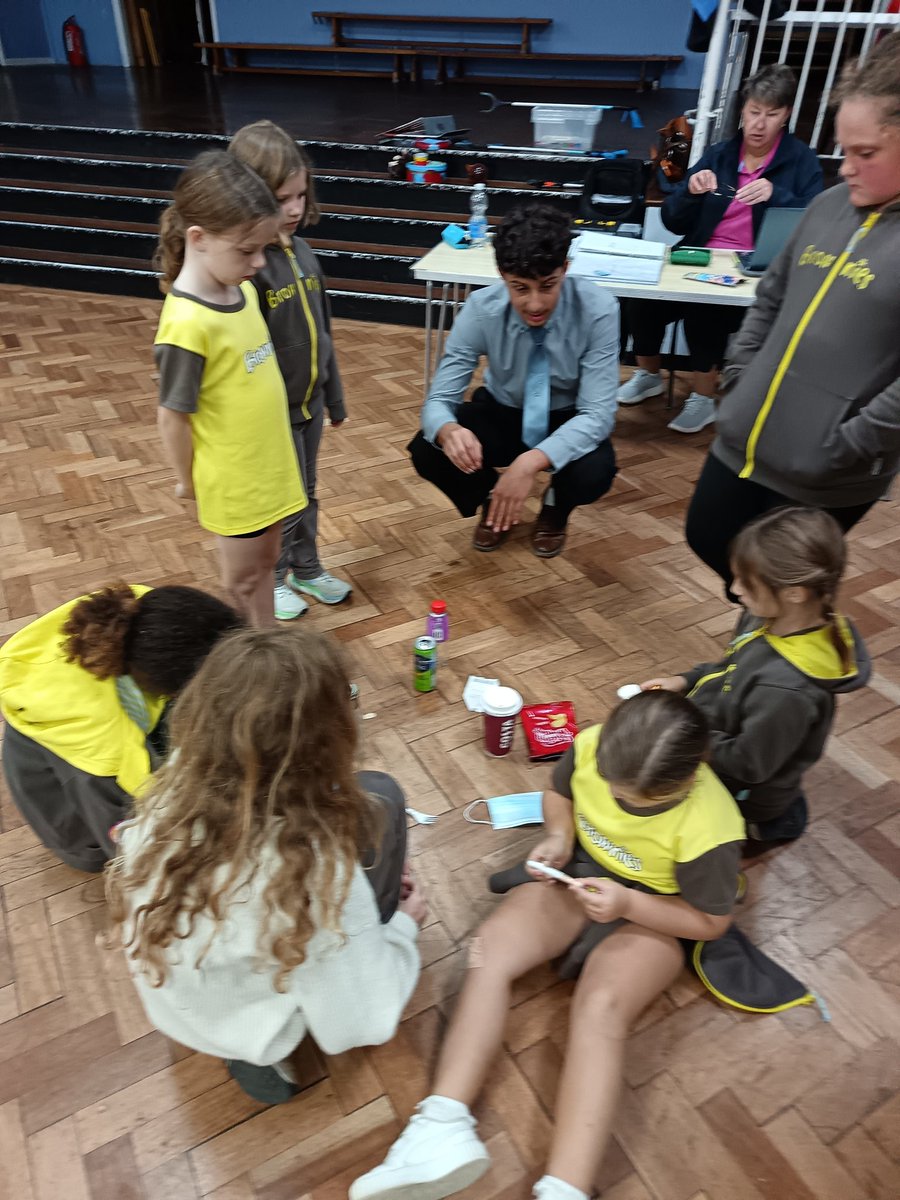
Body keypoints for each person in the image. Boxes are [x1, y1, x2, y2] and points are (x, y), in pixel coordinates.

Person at [350, 690, 744, 1200]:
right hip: (586, 879)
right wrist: (559, 836)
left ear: (689, 780)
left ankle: (566, 1188)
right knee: (490, 948)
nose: (618, 800)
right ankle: (440, 1126)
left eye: (635, 801)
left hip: (660, 914)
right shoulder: (592, 745)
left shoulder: (711, 830)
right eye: (611, 789)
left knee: (600, 1010)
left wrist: (629, 906)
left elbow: (710, 921)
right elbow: (560, 793)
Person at [107, 626, 427, 1106]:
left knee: (366, 806)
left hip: (182, 1006)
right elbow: (362, 1020)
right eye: (350, 700)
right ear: (329, 738)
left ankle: (240, 1035)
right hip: (258, 1009)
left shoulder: (166, 794)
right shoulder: (312, 868)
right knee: (380, 794)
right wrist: (402, 929)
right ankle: (261, 1039)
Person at [685, 33, 900, 593]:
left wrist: (849, 443)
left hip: (826, 473)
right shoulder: (829, 205)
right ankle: (760, 661)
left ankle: (781, 674)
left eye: (865, 154)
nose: (847, 168)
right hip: (746, 436)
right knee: (710, 540)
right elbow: (771, 297)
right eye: (843, 150)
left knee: (784, 591)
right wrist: (741, 374)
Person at [642, 507, 869, 842]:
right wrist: (685, 681)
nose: (734, 590)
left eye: (746, 583)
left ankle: (768, 825)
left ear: (795, 592)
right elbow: (730, 666)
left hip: (744, 789)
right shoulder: (763, 616)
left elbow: (748, 764)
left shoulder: (786, 691)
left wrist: (684, 736)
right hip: (714, 742)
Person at [619, 63, 822, 434]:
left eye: (771, 115)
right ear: (743, 110)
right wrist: (691, 193)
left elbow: (817, 223)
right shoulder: (720, 154)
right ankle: (648, 375)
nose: (759, 124)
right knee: (641, 297)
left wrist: (779, 195)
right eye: (753, 112)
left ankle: (703, 398)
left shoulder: (801, 161)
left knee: (706, 308)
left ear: (786, 115)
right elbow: (672, 220)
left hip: (758, 268)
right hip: (701, 255)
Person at [408, 203, 619, 559]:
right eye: (519, 288)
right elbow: (438, 401)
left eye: (547, 286)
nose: (534, 303)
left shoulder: (599, 309)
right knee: (428, 448)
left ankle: (555, 506)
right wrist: (447, 430)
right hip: (504, 410)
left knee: (596, 470)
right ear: (501, 273)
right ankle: (496, 498)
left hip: (566, 415)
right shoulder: (481, 308)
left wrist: (528, 464)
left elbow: (597, 415)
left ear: (565, 269)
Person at [154, 150, 307, 626]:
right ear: (197, 239)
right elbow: (173, 415)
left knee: (267, 566)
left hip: (270, 465)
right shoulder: (185, 324)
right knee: (241, 582)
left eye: (263, 248)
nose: (259, 262)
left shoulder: (239, 291)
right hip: (234, 481)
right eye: (247, 251)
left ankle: (269, 646)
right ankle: (252, 669)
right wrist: (186, 480)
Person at [0, 582, 241, 872]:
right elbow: (128, 841)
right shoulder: (101, 748)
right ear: (173, 689)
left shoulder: (144, 615)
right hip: (86, 828)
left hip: (95, 754)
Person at [229, 121, 352, 621]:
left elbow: (323, 335)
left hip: (311, 404)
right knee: (281, 501)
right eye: (283, 199)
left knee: (306, 491)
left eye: (301, 195)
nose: (296, 209)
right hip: (272, 415)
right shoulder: (248, 271)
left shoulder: (305, 256)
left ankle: (307, 568)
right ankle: (275, 577)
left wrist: (336, 397)